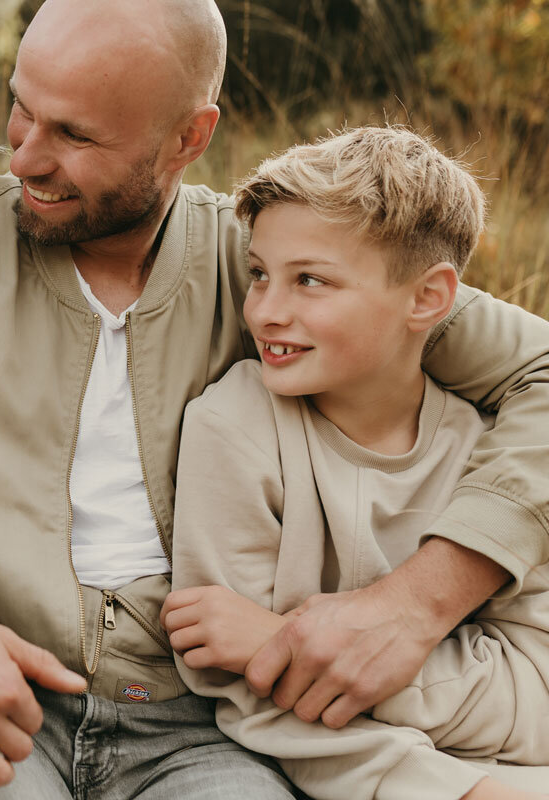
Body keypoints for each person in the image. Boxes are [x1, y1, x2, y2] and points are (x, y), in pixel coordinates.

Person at [0, 0, 549, 797]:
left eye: (75, 135)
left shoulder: (273, 269)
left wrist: (414, 604)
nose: (23, 157)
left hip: (210, 730)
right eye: (22, 107)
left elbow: (538, 371)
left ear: (190, 137)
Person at [161, 126, 549, 800]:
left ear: (428, 299)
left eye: (310, 280)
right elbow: (259, 707)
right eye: (258, 274)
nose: (267, 311)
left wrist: (280, 643)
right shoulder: (234, 429)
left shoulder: (496, 453)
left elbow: (538, 695)